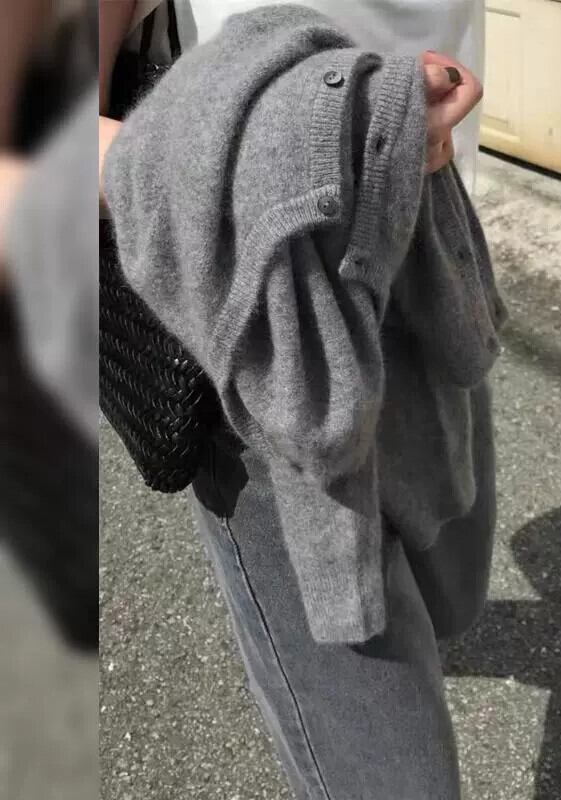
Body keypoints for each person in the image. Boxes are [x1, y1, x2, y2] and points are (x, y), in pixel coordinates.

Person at [101, 2, 496, 797]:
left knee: (453, 594)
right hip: (263, 336)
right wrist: (302, 145)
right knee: (391, 771)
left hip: (425, 269)